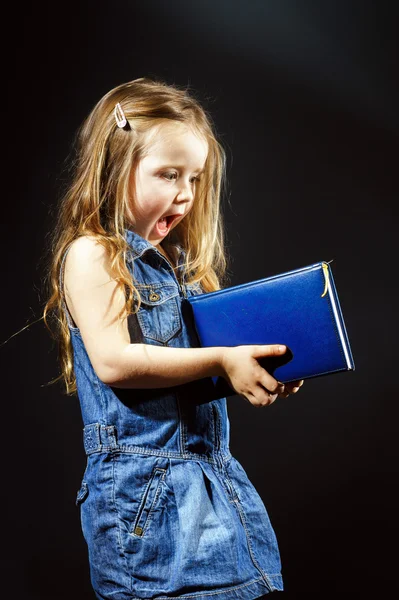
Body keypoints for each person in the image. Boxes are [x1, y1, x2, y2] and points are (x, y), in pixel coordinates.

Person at [43, 77, 304, 600]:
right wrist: (223, 359)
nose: (185, 194)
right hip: (147, 503)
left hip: (212, 486)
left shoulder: (178, 270)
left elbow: (186, 374)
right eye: (168, 174)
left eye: (195, 177)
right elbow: (116, 362)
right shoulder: (92, 254)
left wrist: (249, 369)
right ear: (117, 167)